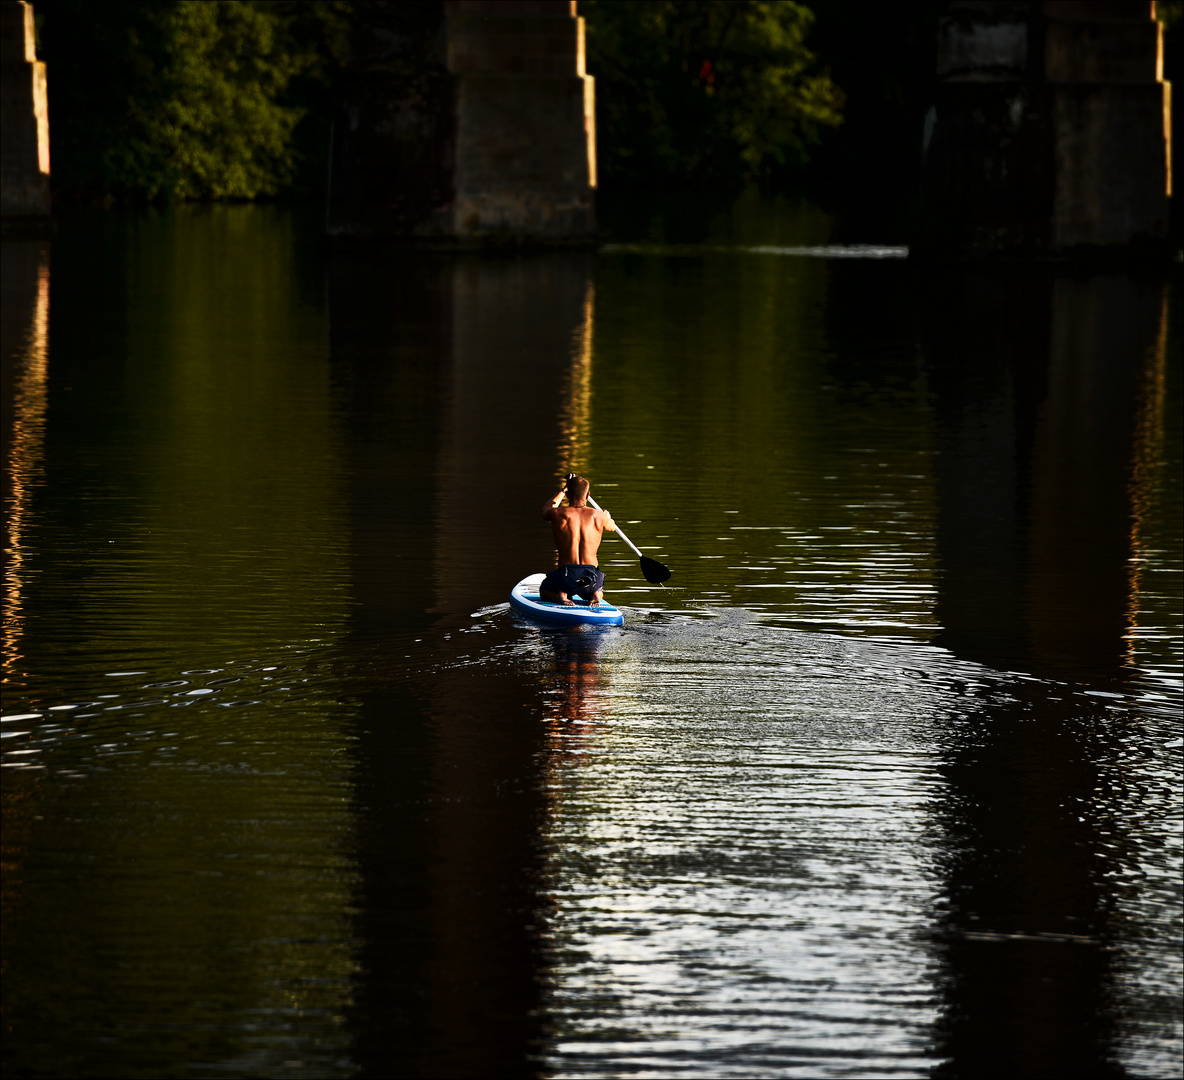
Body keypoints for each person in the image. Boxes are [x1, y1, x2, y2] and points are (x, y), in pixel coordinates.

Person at [540, 474, 616, 606]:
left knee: (544, 590)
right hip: (590, 578)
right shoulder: (600, 516)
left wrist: (563, 490)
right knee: (597, 586)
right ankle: (595, 594)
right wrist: (608, 517)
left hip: (566, 577)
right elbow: (612, 527)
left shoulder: (558, 514)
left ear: (568, 495)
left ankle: (561, 594)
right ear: (587, 495)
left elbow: (545, 510)